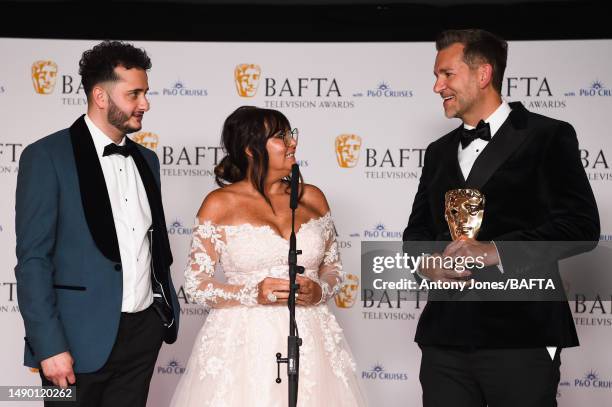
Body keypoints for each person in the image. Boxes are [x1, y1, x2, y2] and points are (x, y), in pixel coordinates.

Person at [403, 29, 599, 407]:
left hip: (522, 334)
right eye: (436, 76)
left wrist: (495, 251)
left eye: (446, 74)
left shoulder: (548, 136)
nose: (437, 86)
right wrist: (427, 263)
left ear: (483, 74)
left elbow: (581, 227)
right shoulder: (438, 152)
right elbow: (417, 231)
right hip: (444, 338)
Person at [15, 40, 179, 407]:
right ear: (100, 96)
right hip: (74, 342)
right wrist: (49, 345)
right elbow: (33, 261)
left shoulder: (147, 160)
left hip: (141, 336)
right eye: (134, 93)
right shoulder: (46, 157)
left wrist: (159, 316)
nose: (145, 103)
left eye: (146, 93)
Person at [170, 106, 366, 407]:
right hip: (243, 344)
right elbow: (197, 285)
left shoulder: (312, 197)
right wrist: (253, 292)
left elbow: (333, 268)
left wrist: (320, 290)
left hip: (311, 338)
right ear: (251, 149)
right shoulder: (219, 204)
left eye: (291, 135)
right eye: (281, 137)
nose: (292, 143)